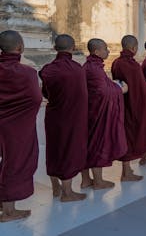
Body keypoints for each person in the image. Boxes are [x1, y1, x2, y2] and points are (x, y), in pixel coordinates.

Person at [39, 34, 88, 202]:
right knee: (69, 150)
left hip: (53, 115)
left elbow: (45, 93)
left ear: (55, 48)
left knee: (54, 149)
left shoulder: (46, 70)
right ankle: (67, 192)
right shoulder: (78, 69)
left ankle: (55, 187)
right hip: (73, 117)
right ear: (73, 48)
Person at [0, 31, 42, 222]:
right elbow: (36, 99)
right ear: (20, 48)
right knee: (15, 162)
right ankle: (8, 211)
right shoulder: (27, 73)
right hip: (16, 127)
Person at [111, 35, 146, 181]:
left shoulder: (116, 62)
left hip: (124, 104)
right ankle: (126, 172)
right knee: (133, 135)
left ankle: (130, 168)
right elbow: (141, 88)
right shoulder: (131, 65)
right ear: (133, 48)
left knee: (126, 135)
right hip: (136, 106)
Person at [81, 38, 128, 191]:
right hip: (97, 112)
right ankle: (98, 181)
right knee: (97, 144)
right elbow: (103, 92)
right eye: (105, 48)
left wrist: (113, 85)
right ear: (96, 52)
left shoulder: (92, 66)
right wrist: (121, 90)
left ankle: (86, 180)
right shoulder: (93, 69)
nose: (108, 51)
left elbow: (103, 85)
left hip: (91, 110)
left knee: (89, 144)